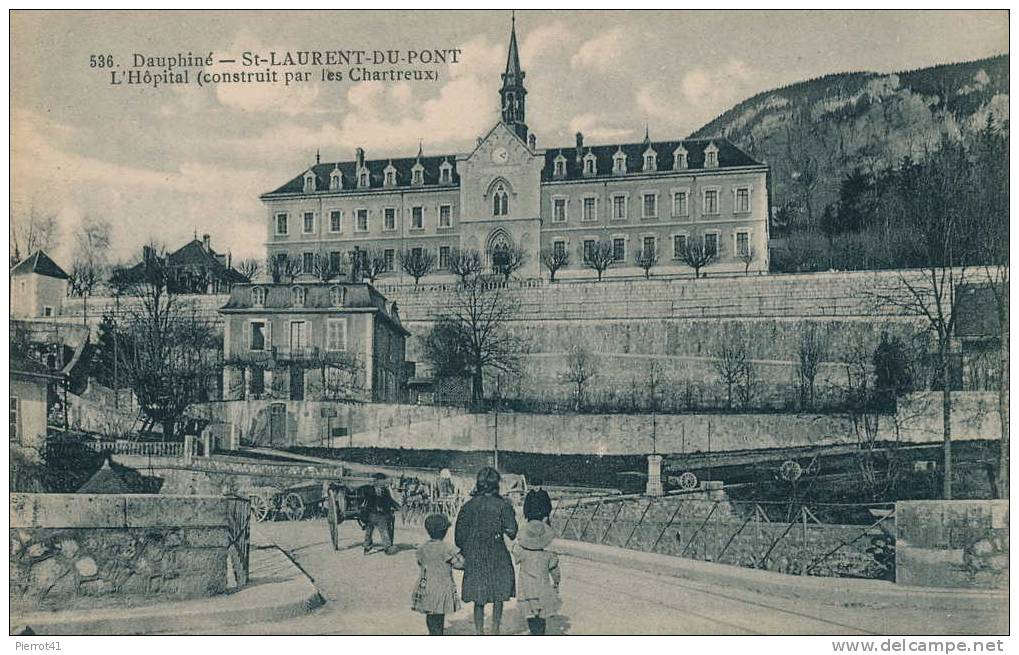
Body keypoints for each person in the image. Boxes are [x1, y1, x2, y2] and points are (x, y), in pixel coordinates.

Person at [454, 466, 518, 635]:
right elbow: (512, 532)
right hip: (497, 554)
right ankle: (495, 630)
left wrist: (470, 547)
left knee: (479, 597)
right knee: (499, 595)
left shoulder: (468, 506)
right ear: (496, 484)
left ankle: (479, 632)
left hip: (475, 555)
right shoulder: (503, 505)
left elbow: (459, 538)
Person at [514, 490, 561, 635]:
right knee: (542, 616)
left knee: (530, 614)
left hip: (527, 590)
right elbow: (555, 572)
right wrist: (557, 582)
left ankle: (534, 633)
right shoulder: (548, 555)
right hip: (542, 590)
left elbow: (514, 548)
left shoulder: (522, 552)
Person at [411, 513, 464, 636]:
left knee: (430, 613)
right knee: (440, 613)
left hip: (426, 585)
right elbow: (459, 565)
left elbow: (420, 562)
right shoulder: (447, 548)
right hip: (442, 585)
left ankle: (432, 633)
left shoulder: (422, 548)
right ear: (445, 531)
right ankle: (438, 634)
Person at [360, 472, 400, 555]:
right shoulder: (370, 489)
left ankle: (367, 547)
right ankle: (387, 547)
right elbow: (367, 499)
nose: (385, 482)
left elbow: (390, 500)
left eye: (384, 480)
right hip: (372, 513)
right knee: (380, 529)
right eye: (383, 480)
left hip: (376, 514)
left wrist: (397, 506)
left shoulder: (384, 490)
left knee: (372, 530)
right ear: (377, 481)